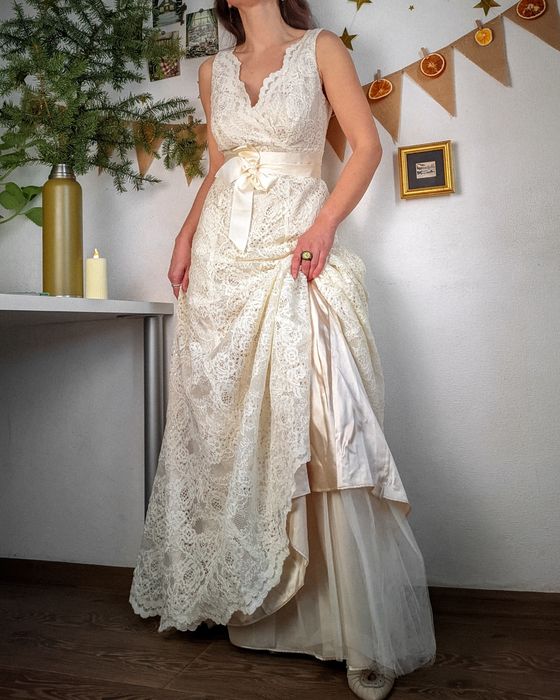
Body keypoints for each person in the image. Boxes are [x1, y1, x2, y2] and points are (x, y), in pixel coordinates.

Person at [129, 1, 437, 698]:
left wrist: (324, 226)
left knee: (324, 413)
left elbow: (366, 147)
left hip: (294, 247)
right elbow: (219, 167)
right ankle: (232, 598)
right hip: (221, 260)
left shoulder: (321, 49)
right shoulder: (213, 71)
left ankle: (355, 630)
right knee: (221, 423)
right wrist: (184, 234)